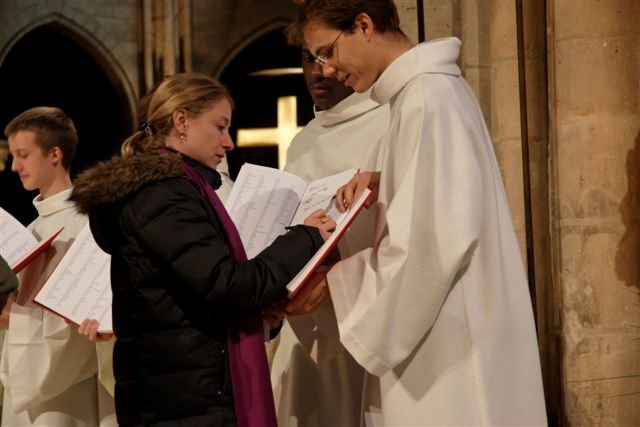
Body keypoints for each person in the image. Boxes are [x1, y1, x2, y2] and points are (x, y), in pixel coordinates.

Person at [287, 1, 548, 425]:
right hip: (448, 331)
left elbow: (430, 247)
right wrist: (386, 178)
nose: (327, 70)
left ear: (364, 25)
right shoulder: (425, 93)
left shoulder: (427, 98)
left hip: (448, 348)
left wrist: (335, 285)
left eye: (328, 52)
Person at [69, 72, 335, 427]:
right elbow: (225, 285)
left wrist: (264, 312)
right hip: (185, 398)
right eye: (220, 126)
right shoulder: (164, 193)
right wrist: (305, 236)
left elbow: (191, 295)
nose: (229, 143)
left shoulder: (170, 189)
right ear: (182, 120)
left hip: (180, 389)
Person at [268, 28, 390, 426]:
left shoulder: (387, 121)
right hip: (304, 310)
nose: (318, 73)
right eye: (308, 61)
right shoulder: (302, 142)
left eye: (325, 59)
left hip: (360, 303)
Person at [2, 106, 115, 425]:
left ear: (54, 154)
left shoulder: (86, 222)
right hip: (26, 376)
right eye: (13, 155)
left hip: (66, 390)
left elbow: (85, 316)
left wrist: (15, 317)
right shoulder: (33, 228)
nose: (15, 166)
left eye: (23, 155)